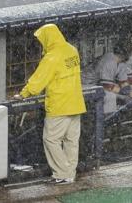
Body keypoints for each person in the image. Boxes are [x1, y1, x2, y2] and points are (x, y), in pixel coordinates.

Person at [14, 24, 86, 185]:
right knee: (71, 141)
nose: (40, 43)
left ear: (47, 38)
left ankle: (61, 173)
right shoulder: (71, 50)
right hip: (76, 103)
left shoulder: (52, 57)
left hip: (59, 105)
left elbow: (38, 81)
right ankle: (69, 174)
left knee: (51, 139)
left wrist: (23, 94)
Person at [95, 39, 132, 114]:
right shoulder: (109, 61)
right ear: (126, 52)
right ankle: (107, 121)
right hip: (86, 84)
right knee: (110, 96)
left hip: (99, 85)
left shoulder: (121, 62)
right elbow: (107, 86)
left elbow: (123, 82)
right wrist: (125, 95)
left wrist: (130, 91)